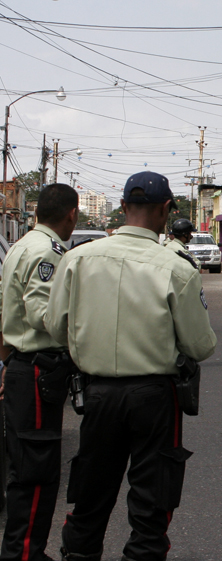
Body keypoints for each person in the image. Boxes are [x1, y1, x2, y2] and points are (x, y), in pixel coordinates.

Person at [46, 171, 217, 561]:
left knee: (90, 497)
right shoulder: (177, 266)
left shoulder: (77, 259)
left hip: (98, 394)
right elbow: (200, 344)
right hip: (155, 398)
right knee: (151, 503)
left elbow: (55, 328)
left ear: (123, 207)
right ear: (166, 210)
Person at [0, 183, 78, 561]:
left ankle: (24, 549)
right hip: (36, 369)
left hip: (22, 366)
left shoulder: (21, 245)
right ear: (71, 215)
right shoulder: (48, 251)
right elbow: (41, 315)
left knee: (26, 468)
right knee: (37, 472)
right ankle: (25, 553)